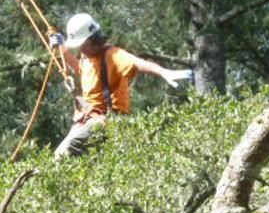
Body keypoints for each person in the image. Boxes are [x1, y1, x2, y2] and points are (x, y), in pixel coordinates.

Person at [49, 13, 192, 159]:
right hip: (88, 118)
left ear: (92, 39)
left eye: (82, 45)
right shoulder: (86, 58)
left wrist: (163, 72)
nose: (81, 49)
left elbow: (137, 63)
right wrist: (62, 50)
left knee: (67, 149)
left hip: (109, 119)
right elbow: (81, 69)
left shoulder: (112, 55)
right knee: (59, 156)